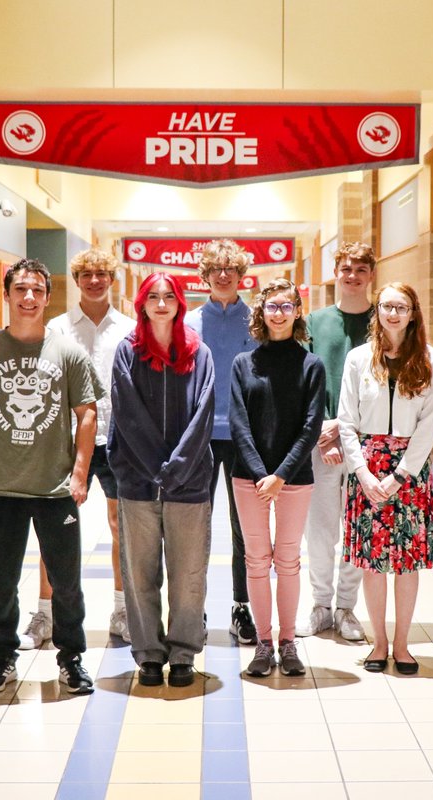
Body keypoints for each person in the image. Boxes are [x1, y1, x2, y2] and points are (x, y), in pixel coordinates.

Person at [0, 259, 101, 696]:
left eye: (38, 289)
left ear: (47, 296)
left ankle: (71, 658)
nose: (30, 297)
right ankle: (2, 657)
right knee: (1, 582)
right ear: (7, 294)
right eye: (21, 289)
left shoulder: (67, 352)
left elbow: (87, 413)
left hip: (55, 489)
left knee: (67, 582)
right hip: (1, 487)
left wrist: (79, 472)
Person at [21, 247, 135, 649]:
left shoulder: (129, 327)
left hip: (118, 440)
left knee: (122, 527)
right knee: (54, 531)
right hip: (64, 441)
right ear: (76, 280)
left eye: (102, 273)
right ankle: (45, 616)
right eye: (86, 274)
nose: (94, 280)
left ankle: (122, 611)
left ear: (111, 279)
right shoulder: (57, 328)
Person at [108, 273, 215, 688]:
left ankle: (184, 651)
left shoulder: (198, 351)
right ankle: (149, 653)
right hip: (137, 481)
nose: (161, 303)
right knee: (139, 572)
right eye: (153, 296)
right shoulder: (128, 352)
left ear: (180, 302)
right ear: (142, 303)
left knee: (189, 573)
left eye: (169, 296)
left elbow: (204, 411)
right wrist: (156, 467)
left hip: (189, 484)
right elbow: (126, 412)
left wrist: (178, 467)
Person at [338, 283, 433, 675]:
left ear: (414, 312)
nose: (393, 313)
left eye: (401, 307)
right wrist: (363, 473)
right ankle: (378, 642)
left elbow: (428, 426)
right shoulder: (358, 359)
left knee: (407, 562)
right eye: (386, 306)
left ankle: (402, 643)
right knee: (372, 561)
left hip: (410, 472)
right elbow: (347, 423)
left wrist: (400, 476)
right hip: (367, 467)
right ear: (377, 311)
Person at [229, 279, 325, 677]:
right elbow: (238, 423)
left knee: (287, 560)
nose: (280, 313)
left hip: (294, 477)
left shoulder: (311, 365)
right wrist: (260, 474)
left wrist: (281, 476)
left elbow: (311, 425)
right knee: (256, 560)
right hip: (248, 477)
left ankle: (288, 643)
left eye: (287, 306)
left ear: (297, 312)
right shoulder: (242, 363)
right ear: (261, 312)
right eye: (273, 306)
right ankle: (263, 644)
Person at [300, 242, 375, 643]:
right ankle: (321, 605)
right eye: (346, 268)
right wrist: (322, 431)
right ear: (336, 272)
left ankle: (347, 607)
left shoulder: (384, 320)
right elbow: (305, 382)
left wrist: (350, 430)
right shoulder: (314, 322)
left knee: (357, 528)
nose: (352, 275)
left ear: (370, 275)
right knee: (321, 529)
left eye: (361, 269)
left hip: (368, 441)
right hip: (322, 440)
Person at [185, 238, 258, 644]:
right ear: (206, 275)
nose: (224, 275)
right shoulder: (190, 322)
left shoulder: (258, 321)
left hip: (245, 437)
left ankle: (241, 606)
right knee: (196, 525)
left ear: (241, 274)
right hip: (200, 437)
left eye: (231, 268)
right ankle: (193, 609)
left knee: (243, 527)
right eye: (216, 269)